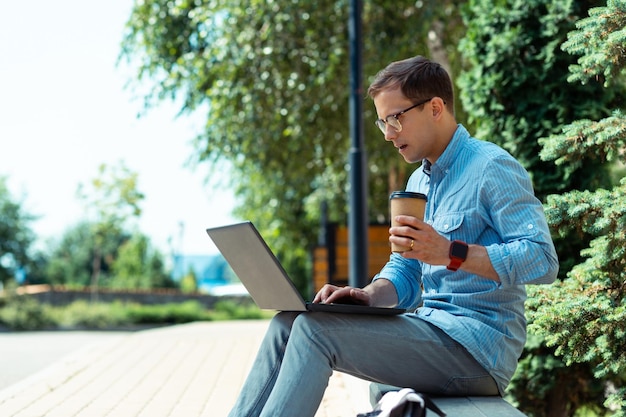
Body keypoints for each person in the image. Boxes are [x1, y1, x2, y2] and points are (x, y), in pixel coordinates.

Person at [227, 55, 559, 417]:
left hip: (476, 349)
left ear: (435, 107)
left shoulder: (491, 167)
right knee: (287, 323)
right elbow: (405, 270)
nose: (388, 134)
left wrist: (451, 252)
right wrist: (367, 296)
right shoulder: (418, 181)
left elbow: (542, 260)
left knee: (313, 331)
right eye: (382, 122)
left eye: (395, 119)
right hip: (430, 330)